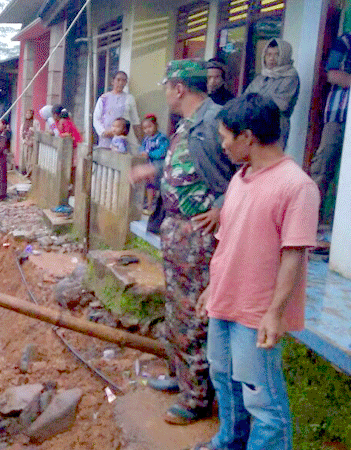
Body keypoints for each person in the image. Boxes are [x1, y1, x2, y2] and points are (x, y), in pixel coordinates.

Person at [188, 93, 319, 450]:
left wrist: (275, 314)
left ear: (247, 137)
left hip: (256, 312)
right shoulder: (240, 179)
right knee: (225, 380)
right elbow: (228, 241)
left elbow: (293, 256)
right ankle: (228, 442)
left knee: (263, 400)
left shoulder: (297, 186)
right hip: (226, 301)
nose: (223, 144)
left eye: (226, 136)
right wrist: (212, 288)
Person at [130, 60, 236, 425]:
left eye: (166, 87)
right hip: (176, 230)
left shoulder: (218, 121)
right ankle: (180, 376)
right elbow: (183, 166)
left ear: (179, 88)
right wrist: (155, 171)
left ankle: (197, 400)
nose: (165, 94)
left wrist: (223, 208)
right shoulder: (188, 125)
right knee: (176, 307)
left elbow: (247, 169)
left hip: (199, 235)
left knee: (194, 314)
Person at [310, 18, 351, 236]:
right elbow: (332, 73)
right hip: (338, 114)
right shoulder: (346, 41)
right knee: (323, 165)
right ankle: (308, 222)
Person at [244, 38, 300, 148]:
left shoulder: (290, 77)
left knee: (271, 160)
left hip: (275, 127)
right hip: (254, 126)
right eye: (268, 54)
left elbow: (281, 104)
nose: (271, 58)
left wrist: (255, 100)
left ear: (284, 55)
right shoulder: (261, 77)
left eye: (276, 55)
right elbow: (244, 99)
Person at [93, 71, 142, 147]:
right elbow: (96, 118)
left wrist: (140, 141)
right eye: (118, 80)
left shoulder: (129, 98)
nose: (121, 83)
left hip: (122, 140)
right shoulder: (104, 98)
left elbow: (135, 120)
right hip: (106, 139)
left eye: (124, 80)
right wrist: (104, 132)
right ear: (113, 81)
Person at [139, 114, 169, 213]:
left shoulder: (161, 138)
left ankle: (158, 207)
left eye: (150, 127)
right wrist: (142, 153)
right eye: (145, 128)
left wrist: (149, 154)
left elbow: (162, 152)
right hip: (149, 166)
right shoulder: (146, 139)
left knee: (159, 186)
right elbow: (142, 149)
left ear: (156, 125)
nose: (147, 130)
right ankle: (149, 205)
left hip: (159, 166)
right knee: (149, 185)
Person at [21, 109, 40, 176]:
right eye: (27, 113)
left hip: (32, 143)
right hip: (25, 143)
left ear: (32, 114)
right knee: (26, 157)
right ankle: (27, 172)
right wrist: (24, 141)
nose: (28, 115)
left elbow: (37, 132)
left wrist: (32, 141)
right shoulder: (24, 123)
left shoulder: (35, 122)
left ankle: (31, 173)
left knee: (31, 158)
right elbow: (21, 134)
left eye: (29, 113)